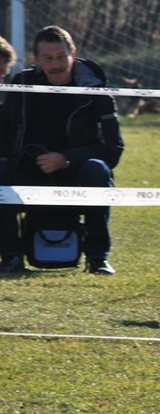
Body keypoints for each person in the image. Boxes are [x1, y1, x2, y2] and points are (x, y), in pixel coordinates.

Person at [0, 25, 124, 274]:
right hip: (28, 173)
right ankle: (12, 257)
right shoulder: (21, 85)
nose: (56, 65)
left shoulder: (98, 93)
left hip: (76, 175)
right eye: (48, 58)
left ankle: (98, 259)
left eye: (61, 57)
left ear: (73, 53)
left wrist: (66, 159)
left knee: (97, 170)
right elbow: (4, 130)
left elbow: (113, 149)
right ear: (36, 60)